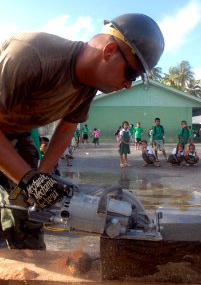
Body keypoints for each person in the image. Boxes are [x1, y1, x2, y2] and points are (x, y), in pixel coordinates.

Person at [0, 13, 164, 249]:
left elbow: (67, 128)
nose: (129, 84)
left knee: (29, 214)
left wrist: (40, 177)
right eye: (131, 74)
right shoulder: (31, 53)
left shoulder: (88, 88)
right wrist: (28, 180)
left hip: (15, 135)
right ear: (108, 51)